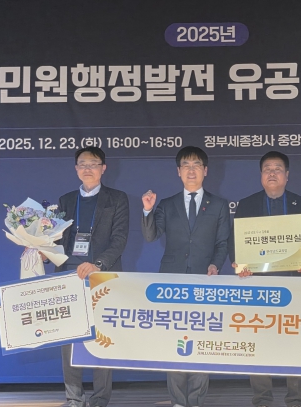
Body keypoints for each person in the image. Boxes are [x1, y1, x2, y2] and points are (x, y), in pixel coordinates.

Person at [141, 146, 230, 407]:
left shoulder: (219, 204)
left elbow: (222, 243)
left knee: (201, 341)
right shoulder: (167, 204)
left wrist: (215, 265)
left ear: (206, 170)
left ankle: (197, 400)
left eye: (196, 165)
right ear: (178, 172)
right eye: (186, 166)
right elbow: (150, 236)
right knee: (175, 341)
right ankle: (178, 401)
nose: (191, 170)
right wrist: (147, 210)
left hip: (205, 280)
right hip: (172, 281)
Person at [232, 151, 301, 407]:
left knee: (297, 341)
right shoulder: (246, 205)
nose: (272, 173)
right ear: (261, 175)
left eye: (278, 169)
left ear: (287, 175)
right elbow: (236, 242)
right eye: (267, 169)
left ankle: (296, 398)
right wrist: (240, 264)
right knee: (258, 341)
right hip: (258, 283)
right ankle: (262, 399)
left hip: (295, 281)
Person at [55, 146, 130, 407]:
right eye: (82, 164)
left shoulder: (117, 198)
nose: (88, 168)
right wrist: (43, 252)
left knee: (102, 339)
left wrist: (97, 264)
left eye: (93, 163)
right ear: (76, 168)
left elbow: (119, 240)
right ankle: (74, 398)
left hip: (102, 277)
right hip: (69, 276)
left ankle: (100, 399)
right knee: (69, 342)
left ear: (103, 168)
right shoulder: (65, 200)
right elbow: (57, 240)